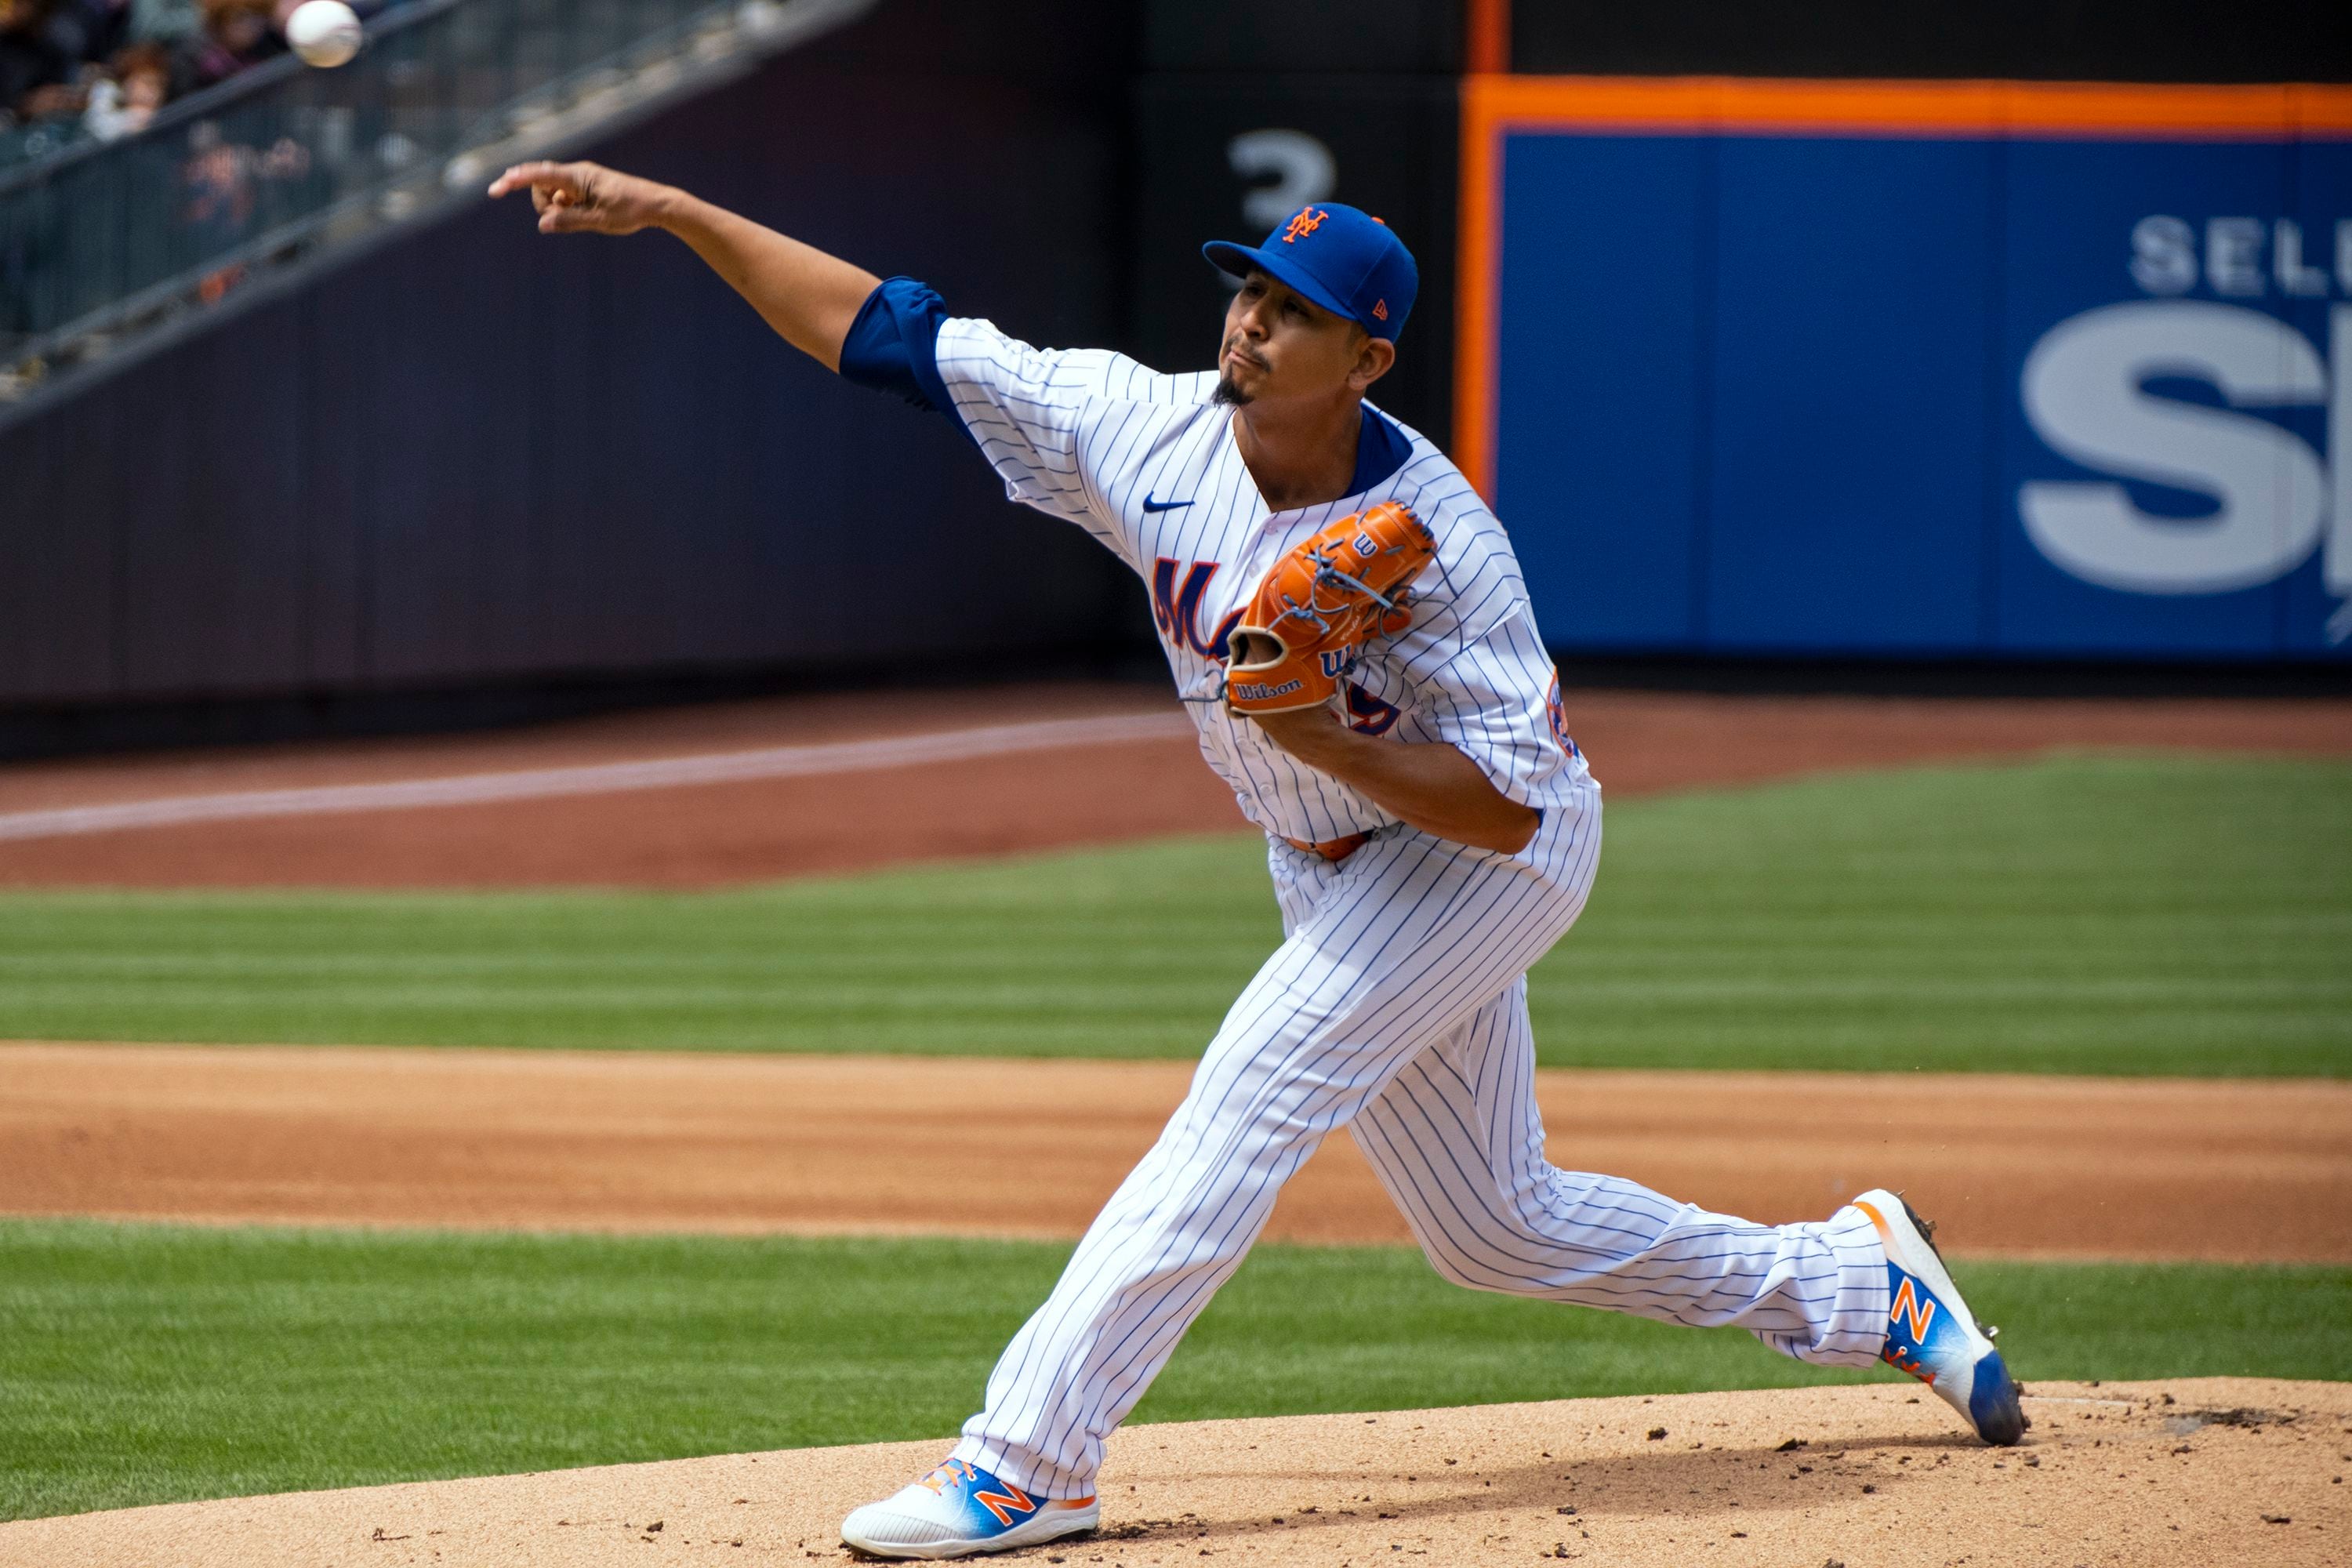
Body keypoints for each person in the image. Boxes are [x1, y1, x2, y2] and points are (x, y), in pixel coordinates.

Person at [488, 158, 2027, 1561]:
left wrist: (1324, 730)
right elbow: (887, 335)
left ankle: (1030, 1460)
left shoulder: (1444, 547)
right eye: (1248, 292)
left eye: (1294, 315)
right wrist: (683, 215)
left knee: (1256, 1085)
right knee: (1495, 1225)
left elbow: (1507, 811)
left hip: (1485, 852)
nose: (1250, 326)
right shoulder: (1140, 424)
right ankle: (1854, 1281)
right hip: (1328, 859)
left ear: (1367, 359)